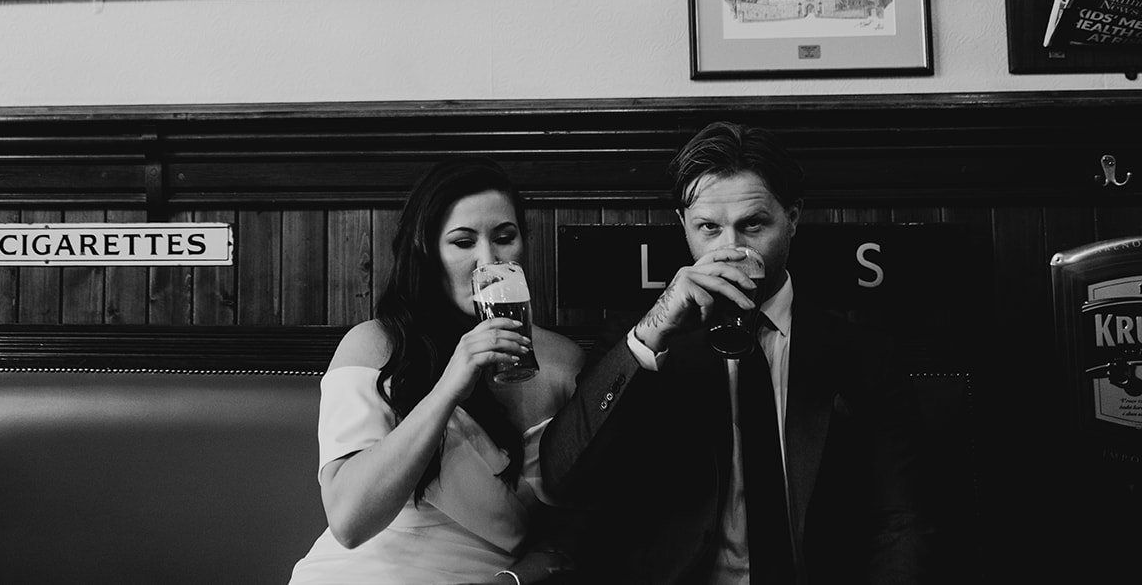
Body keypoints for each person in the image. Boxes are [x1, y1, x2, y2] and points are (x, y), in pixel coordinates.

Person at [540, 122, 932, 584]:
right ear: (683, 226)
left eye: (753, 225)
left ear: (793, 217)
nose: (731, 250)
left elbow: (900, 521)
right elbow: (561, 476)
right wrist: (654, 330)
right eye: (709, 228)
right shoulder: (645, 342)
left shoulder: (863, 356)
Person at [288, 157, 585, 584]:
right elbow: (349, 522)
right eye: (463, 242)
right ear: (427, 252)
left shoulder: (564, 362)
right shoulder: (374, 346)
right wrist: (448, 389)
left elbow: (580, 526)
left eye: (505, 237)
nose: (488, 259)